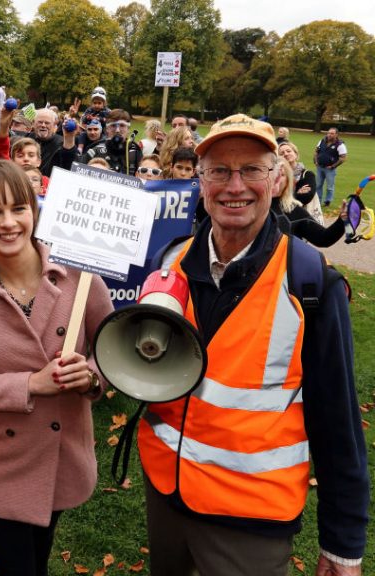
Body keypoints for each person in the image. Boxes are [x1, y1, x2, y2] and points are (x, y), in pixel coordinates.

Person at [143, 114, 369, 576]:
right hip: (165, 495)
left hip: (249, 519)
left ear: (276, 179)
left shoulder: (310, 283)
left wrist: (343, 541)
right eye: (219, 171)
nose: (235, 186)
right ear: (200, 181)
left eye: (251, 170)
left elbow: (338, 420)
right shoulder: (172, 261)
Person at [0, 160, 113, 576]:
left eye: (18, 208)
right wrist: (31, 384)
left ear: (35, 211)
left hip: (63, 455)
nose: (8, 223)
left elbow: (113, 351)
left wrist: (90, 376)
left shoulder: (79, 277)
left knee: (39, 557)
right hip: (2, 464)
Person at [272, 157, 346, 247]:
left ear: (288, 180)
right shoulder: (256, 208)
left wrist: (342, 220)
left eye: (282, 175)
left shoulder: (292, 210)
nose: (277, 179)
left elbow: (323, 238)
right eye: (273, 173)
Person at [278, 141, 323, 225]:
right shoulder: (278, 177)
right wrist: (297, 193)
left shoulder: (308, 175)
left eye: (288, 151)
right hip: (286, 220)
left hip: (306, 219)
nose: (286, 154)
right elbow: (276, 201)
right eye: (282, 153)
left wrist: (288, 197)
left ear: (296, 154)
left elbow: (306, 197)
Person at [313, 127, 347, 206]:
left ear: (336, 135)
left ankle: (328, 200)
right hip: (320, 167)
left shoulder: (340, 144)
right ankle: (318, 201)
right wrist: (315, 161)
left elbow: (343, 158)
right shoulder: (322, 141)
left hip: (330, 169)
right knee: (318, 185)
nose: (329, 135)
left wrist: (333, 166)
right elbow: (316, 151)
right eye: (328, 133)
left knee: (329, 186)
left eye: (332, 133)